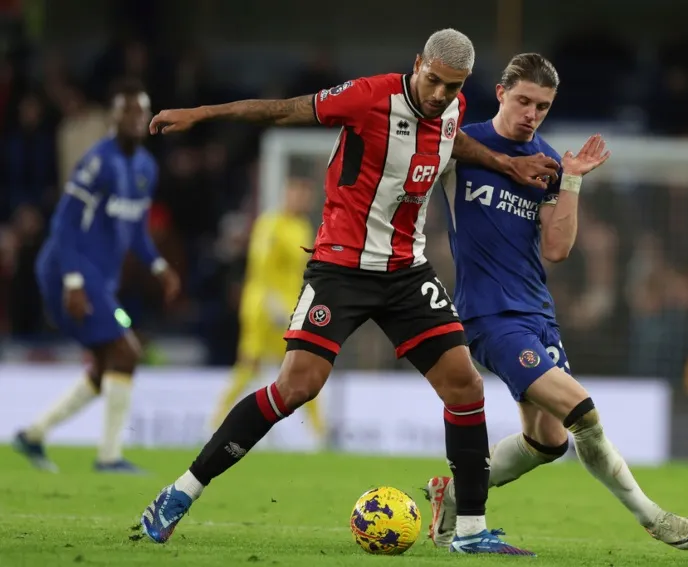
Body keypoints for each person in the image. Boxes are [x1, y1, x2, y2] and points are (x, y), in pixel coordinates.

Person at [140, 28, 558, 555]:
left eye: (451, 87)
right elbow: (280, 111)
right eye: (432, 81)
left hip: (407, 271)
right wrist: (200, 115)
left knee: (465, 386)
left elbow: (455, 138)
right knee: (297, 386)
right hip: (342, 267)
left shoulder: (451, 108)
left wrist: (508, 163)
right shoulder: (368, 97)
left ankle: (470, 530)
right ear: (417, 64)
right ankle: (180, 492)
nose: (439, 95)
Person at [426, 53, 688, 551]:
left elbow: (557, 248)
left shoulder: (550, 163)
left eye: (542, 106)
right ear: (500, 93)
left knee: (548, 441)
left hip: (537, 315)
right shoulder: (463, 145)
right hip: (489, 316)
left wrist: (572, 177)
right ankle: (653, 517)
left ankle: (451, 495)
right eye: (523, 101)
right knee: (583, 412)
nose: (531, 114)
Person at [12, 78, 180, 474]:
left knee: (109, 364)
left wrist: (159, 267)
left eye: (142, 111)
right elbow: (64, 223)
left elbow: (135, 230)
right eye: (128, 112)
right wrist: (72, 282)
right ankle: (108, 457)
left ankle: (33, 435)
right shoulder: (97, 162)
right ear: (113, 117)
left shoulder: (145, 168)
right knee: (127, 352)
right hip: (67, 269)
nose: (136, 119)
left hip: (99, 276)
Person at [211, 176, 326, 444]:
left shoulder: (302, 227)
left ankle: (320, 435)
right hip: (263, 308)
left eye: (305, 195)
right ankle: (215, 423)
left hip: (289, 309)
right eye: (296, 192)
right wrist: (271, 301)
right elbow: (260, 266)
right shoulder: (270, 224)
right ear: (286, 194)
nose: (300, 199)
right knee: (249, 365)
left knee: (306, 364)